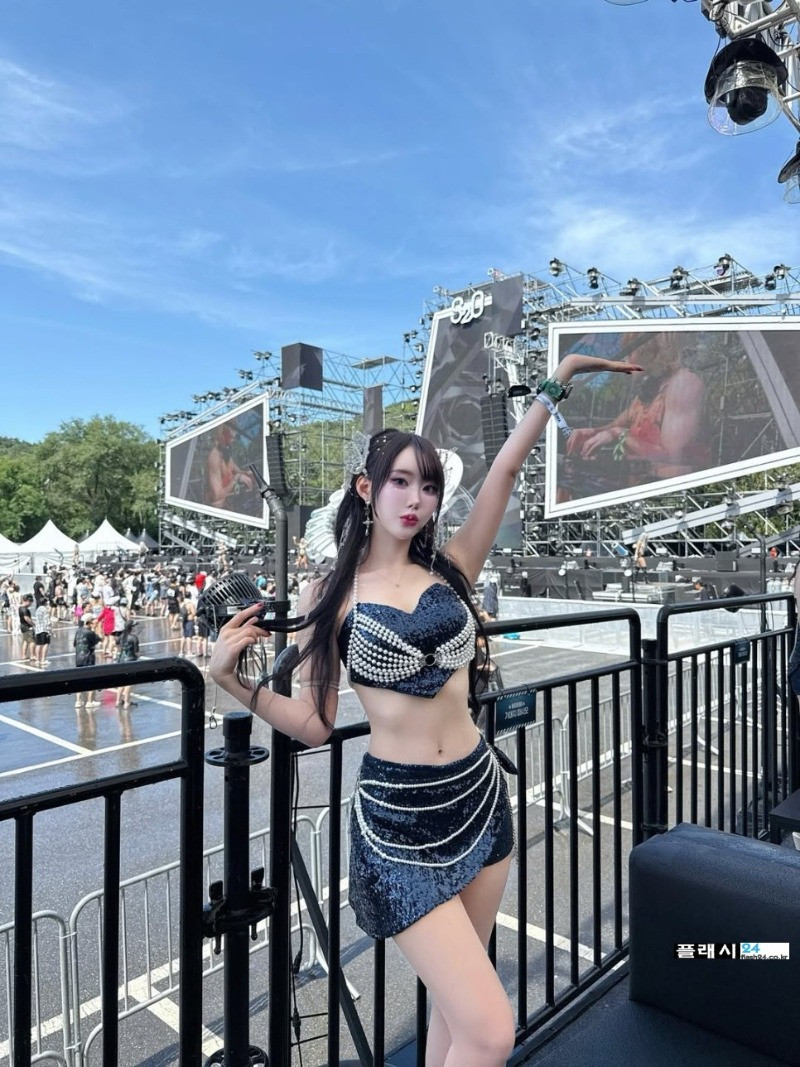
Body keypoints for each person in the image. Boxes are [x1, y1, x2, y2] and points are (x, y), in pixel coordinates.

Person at [209, 352, 640, 1066]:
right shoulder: (331, 595)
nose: (416, 498)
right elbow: (316, 724)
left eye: (429, 485)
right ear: (366, 488)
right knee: (491, 1030)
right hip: (399, 824)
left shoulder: (451, 568)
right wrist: (234, 684)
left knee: (454, 1016)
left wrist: (557, 380)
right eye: (401, 481)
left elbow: (504, 471)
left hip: (479, 798)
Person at [564, 331, 707, 484]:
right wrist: (593, 432)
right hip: (639, 484)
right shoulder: (648, 390)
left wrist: (618, 434)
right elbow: (615, 426)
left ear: (649, 351)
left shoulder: (684, 384)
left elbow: (672, 457)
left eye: (630, 352)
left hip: (669, 490)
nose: (624, 360)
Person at [205, 422, 255, 508]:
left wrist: (248, 473)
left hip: (229, 504)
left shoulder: (226, 453)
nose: (235, 435)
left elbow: (238, 472)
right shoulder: (214, 457)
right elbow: (217, 496)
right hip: (218, 509)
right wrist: (237, 478)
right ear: (222, 432)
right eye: (233, 430)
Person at [74, 617, 101, 709]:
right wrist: (96, 629)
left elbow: (75, 644)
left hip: (78, 658)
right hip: (88, 658)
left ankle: (78, 701)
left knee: (79, 679)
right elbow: (99, 639)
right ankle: (89, 701)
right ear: (89, 623)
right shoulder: (90, 633)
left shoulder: (78, 631)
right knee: (91, 679)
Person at [115, 621, 140, 709]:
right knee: (129, 682)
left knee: (122, 682)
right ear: (131, 628)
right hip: (130, 661)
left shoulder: (121, 636)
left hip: (121, 660)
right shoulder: (134, 638)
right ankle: (127, 702)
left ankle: (118, 701)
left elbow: (117, 645)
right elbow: (136, 651)